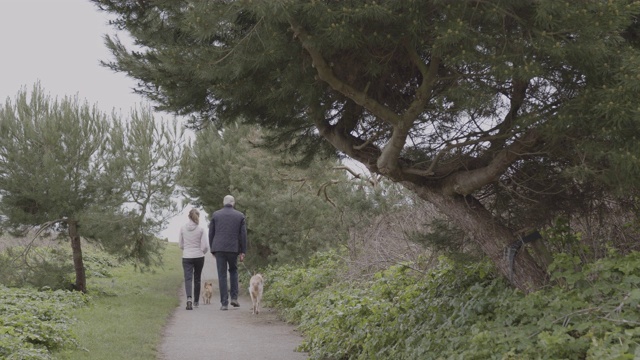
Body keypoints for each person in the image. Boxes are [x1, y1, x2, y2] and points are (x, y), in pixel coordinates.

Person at [209, 195, 247, 311]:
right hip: (233, 249)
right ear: (233, 203)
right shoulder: (239, 216)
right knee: (234, 271)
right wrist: (242, 251)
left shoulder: (216, 215)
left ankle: (224, 303)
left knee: (222, 275)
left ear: (223, 202)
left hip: (219, 248)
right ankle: (234, 298)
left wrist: (212, 248)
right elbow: (243, 235)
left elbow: (211, 233)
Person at [179, 208, 210, 310]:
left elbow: (180, 244)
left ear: (188, 216)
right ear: (198, 217)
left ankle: (189, 299)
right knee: (197, 278)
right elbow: (205, 246)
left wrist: (186, 249)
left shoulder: (183, 228)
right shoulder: (201, 229)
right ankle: (196, 301)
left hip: (187, 256)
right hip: (198, 256)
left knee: (188, 278)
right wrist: (202, 252)